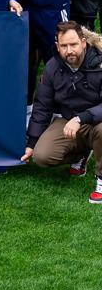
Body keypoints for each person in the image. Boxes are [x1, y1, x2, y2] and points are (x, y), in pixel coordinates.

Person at [21, 21, 102, 203]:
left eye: (73, 44)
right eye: (64, 46)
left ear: (83, 43)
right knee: (42, 156)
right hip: (67, 120)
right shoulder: (52, 67)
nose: (69, 50)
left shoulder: (100, 62)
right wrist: (31, 143)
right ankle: (81, 154)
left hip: (97, 121)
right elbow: (42, 106)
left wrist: (81, 118)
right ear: (57, 46)